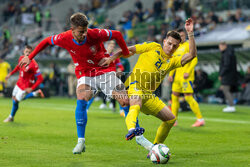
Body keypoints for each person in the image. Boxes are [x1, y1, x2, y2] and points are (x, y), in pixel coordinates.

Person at [19, 13, 150, 154]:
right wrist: (29, 57)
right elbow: (45, 41)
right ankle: (81, 141)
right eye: (81, 32)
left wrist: (124, 52)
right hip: (85, 73)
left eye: (86, 30)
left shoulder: (95, 34)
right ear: (73, 29)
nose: (84, 34)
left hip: (104, 71)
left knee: (125, 101)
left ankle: (138, 136)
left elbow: (117, 34)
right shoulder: (64, 37)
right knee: (81, 98)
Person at [100, 18, 197, 155]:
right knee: (136, 101)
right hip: (134, 85)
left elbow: (192, 55)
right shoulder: (152, 46)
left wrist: (191, 34)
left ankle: (156, 149)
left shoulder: (173, 61)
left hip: (148, 94)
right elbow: (129, 50)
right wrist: (111, 58)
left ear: (178, 47)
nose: (171, 47)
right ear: (164, 41)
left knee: (170, 119)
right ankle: (132, 129)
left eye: (175, 46)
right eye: (169, 43)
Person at [168, 28, 204, 127]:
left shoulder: (189, 45)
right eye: (179, 36)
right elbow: (173, 62)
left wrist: (188, 71)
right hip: (177, 78)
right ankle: (173, 120)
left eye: (183, 36)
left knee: (188, 98)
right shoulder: (176, 47)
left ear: (186, 36)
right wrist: (171, 75)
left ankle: (200, 119)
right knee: (174, 97)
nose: (181, 37)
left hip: (186, 77)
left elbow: (194, 59)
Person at [3, 45, 44, 123]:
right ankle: (35, 94)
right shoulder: (21, 58)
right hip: (19, 83)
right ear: (23, 52)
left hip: (26, 86)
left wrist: (32, 88)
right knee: (14, 98)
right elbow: (18, 67)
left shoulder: (34, 64)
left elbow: (40, 78)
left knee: (16, 101)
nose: (28, 54)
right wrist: (10, 74)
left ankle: (11, 117)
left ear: (32, 53)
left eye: (29, 52)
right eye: (26, 52)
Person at [219, 42, 237, 112]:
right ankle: (230, 105)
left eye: (220, 46)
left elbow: (226, 65)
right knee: (229, 91)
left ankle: (231, 106)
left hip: (227, 75)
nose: (219, 48)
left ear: (225, 46)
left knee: (226, 90)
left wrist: (221, 74)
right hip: (231, 75)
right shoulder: (230, 52)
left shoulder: (227, 54)